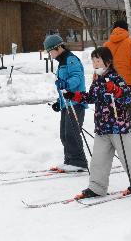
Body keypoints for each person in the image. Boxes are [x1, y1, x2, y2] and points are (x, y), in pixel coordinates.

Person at [63, 47, 131, 198]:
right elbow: (91, 97)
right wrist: (74, 95)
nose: (95, 64)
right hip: (102, 127)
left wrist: (116, 90)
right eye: (93, 61)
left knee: (127, 155)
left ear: (108, 62)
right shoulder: (97, 80)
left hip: (118, 126)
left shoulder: (116, 78)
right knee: (98, 158)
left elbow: (128, 99)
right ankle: (97, 187)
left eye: (98, 60)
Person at [43, 34, 88, 172]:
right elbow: (63, 87)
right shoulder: (63, 61)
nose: (50, 55)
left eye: (51, 51)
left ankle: (79, 162)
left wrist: (66, 83)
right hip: (67, 103)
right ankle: (69, 161)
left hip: (76, 103)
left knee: (72, 133)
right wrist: (59, 101)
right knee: (64, 133)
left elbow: (77, 78)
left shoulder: (71, 59)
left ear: (58, 47)